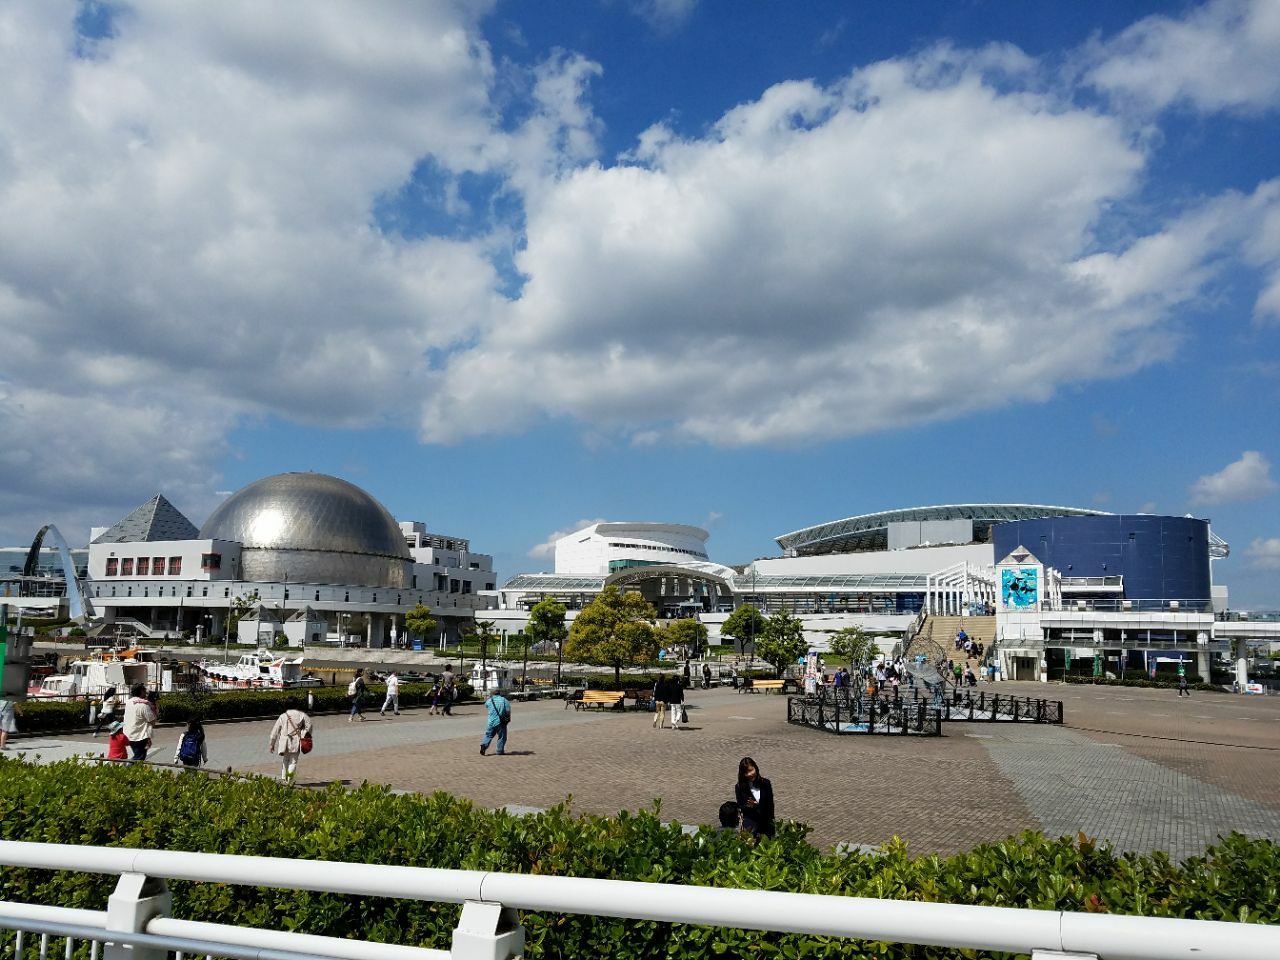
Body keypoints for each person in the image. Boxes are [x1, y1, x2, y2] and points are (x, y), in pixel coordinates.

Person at [268, 700, 313, 781]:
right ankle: (289, 780)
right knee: (293, 761)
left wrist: (272, 744)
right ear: (297, 705)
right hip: (296, 740)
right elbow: (309, 726)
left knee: (285, 760)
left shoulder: (283, 716)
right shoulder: (302, 715)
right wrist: (303, 733)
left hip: (284, 742)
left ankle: (283, 779)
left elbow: (275, 731)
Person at [735, 756, 775, 838]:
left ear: (755, 768)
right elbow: (741, 807)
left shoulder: (766, 783)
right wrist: (750, 806)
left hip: (766, 826)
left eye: (751, 770)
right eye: (746, 772)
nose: (749, 774)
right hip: (750, 827)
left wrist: (757, 806)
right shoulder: (739, 787)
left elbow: (770, 807)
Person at [122, 683, 157, 761]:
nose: (146, 693)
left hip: (128, 734)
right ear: (141, 691)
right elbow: (153, 721)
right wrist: (153, 707)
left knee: (138, 756)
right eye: (145, 690)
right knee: (139, 758)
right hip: (139, 737)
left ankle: (129, 769)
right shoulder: (144, 706)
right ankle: (125, 768)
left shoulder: (128, 702)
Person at [479, 690, 511, 756]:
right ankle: (500, 751)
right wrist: (507, 719)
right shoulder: (504, 700)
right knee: (502, 736)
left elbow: (487, 706)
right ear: (500, 693)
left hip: (491, 722)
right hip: (501, 722)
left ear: (493, 694)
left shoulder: (489, 701)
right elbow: (508, 710)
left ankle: (484, 746)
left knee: (488, 735)